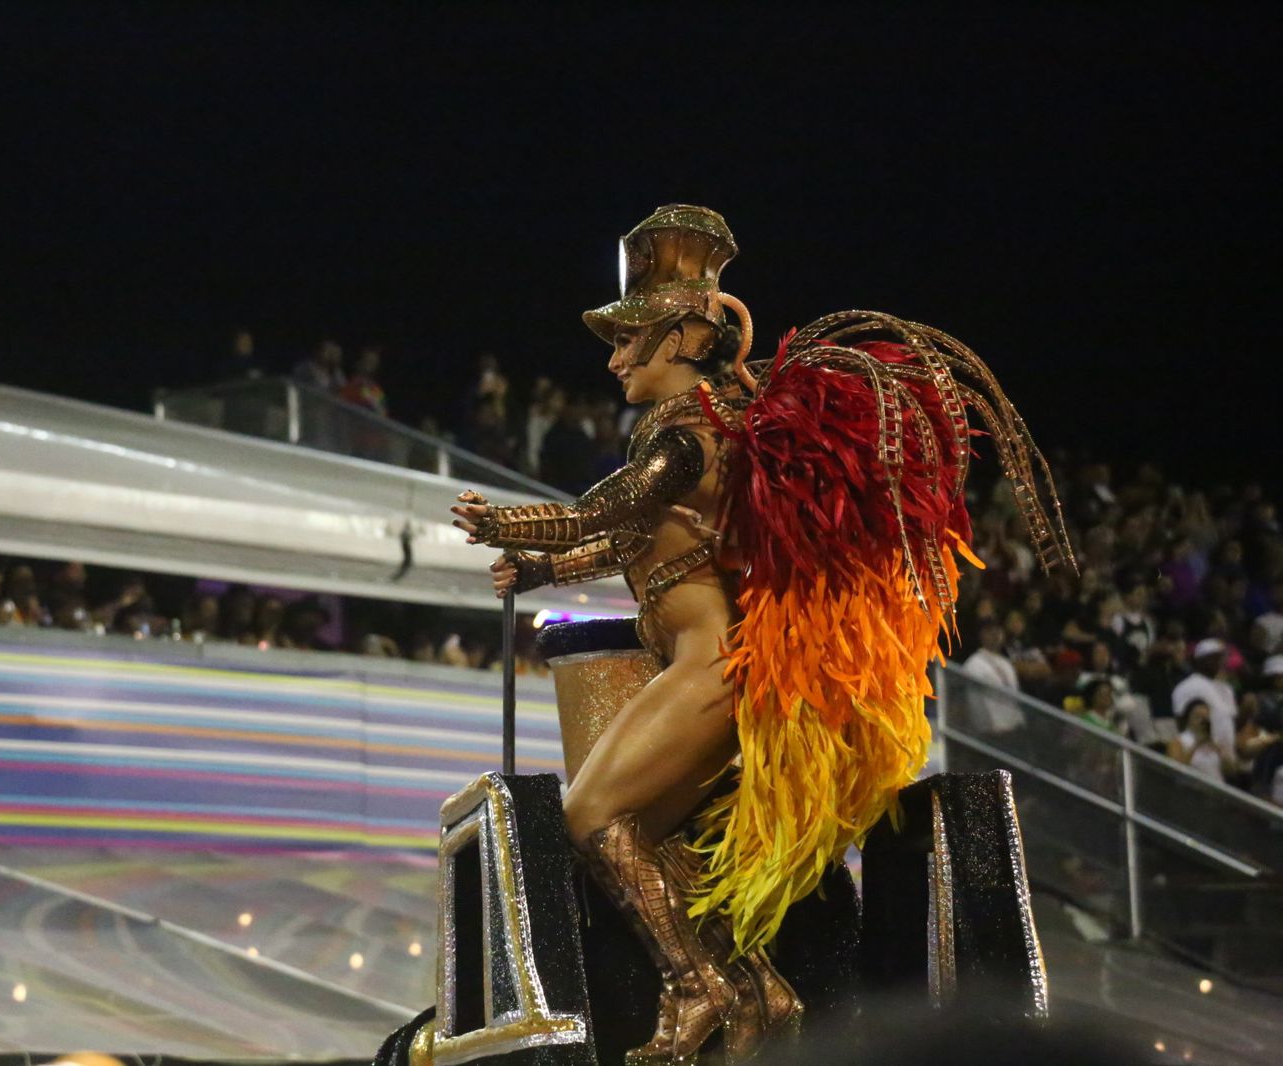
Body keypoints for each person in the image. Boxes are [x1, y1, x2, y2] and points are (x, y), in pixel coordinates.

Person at [451, 205, 1070, 1062]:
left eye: (629, 340)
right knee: (649, 838)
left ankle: (693, 983)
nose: (615, 358)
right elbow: (633, 541)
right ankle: (755, 997)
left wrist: (508, 526)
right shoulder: (685, 435)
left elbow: (603, 510)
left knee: (591, 814)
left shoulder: (691, 436)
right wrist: (544, 572)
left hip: (714, 670)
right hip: (706, 666)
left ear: (677, 338)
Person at [1171, 637, 1239, 761]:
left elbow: (1230, 722)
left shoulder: (1226, 688)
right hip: (1199, 755)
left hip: (1225, 759)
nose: (1220, 661)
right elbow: (1180, 721)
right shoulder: (1188, 685)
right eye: (1214, 657)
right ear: (1200, 660)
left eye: (1222, 657)